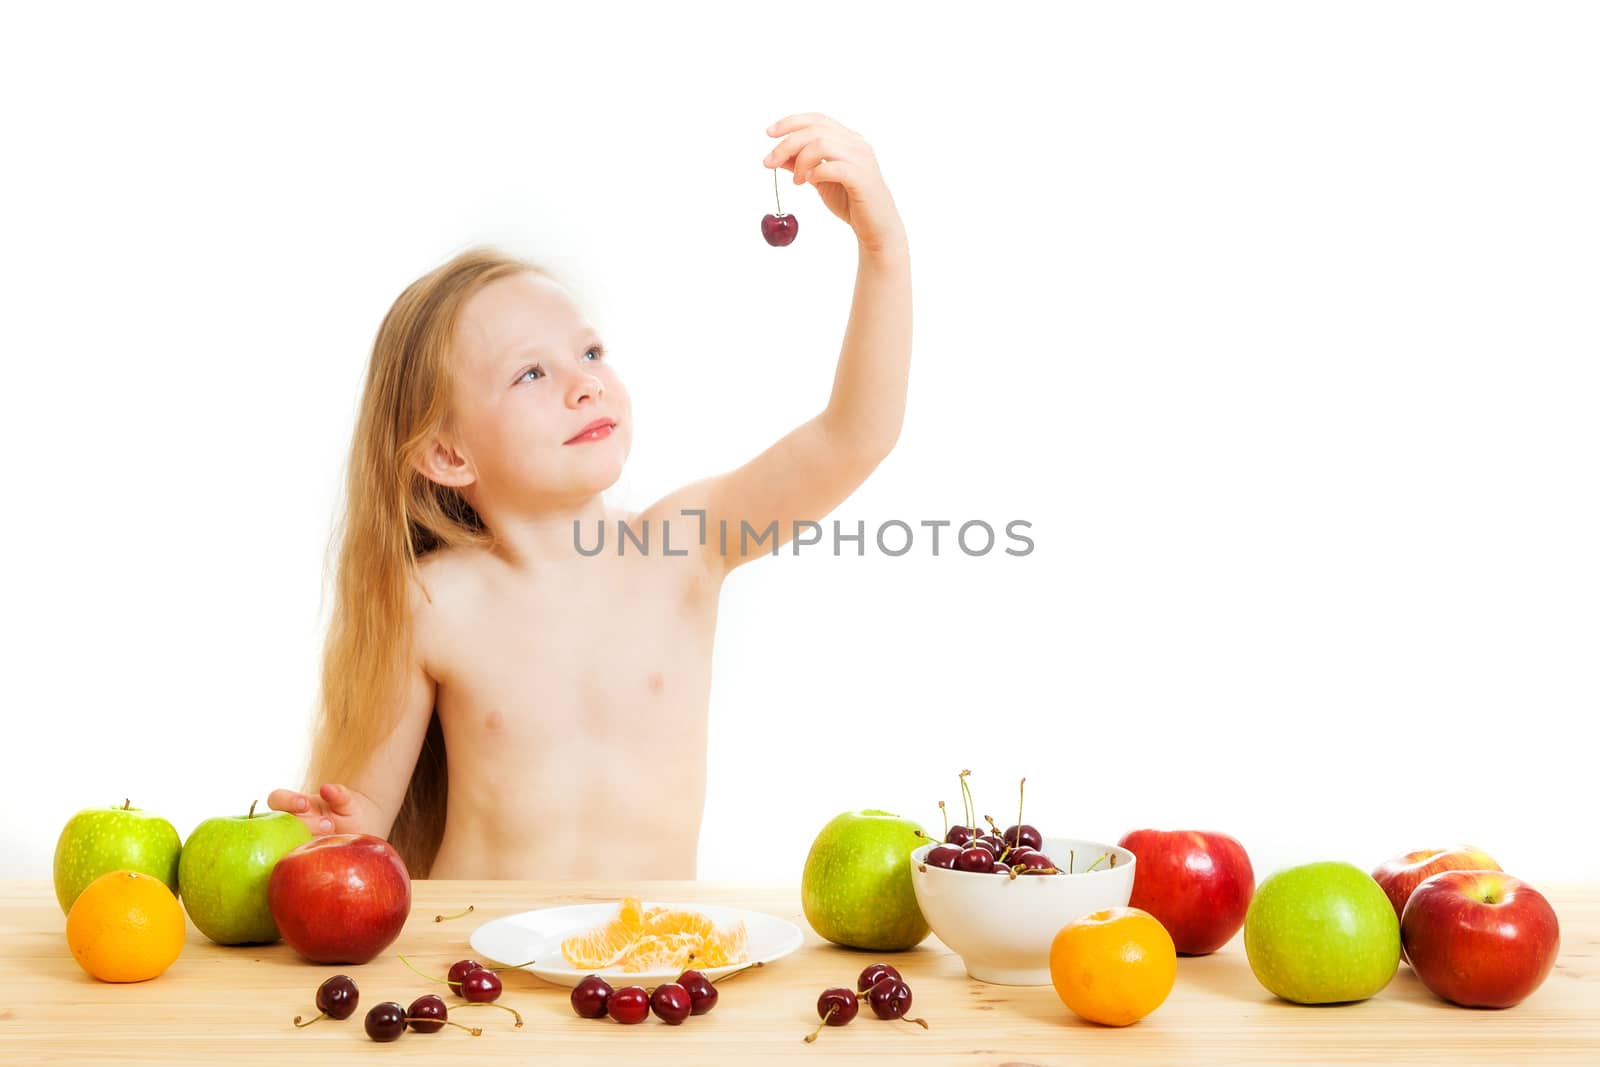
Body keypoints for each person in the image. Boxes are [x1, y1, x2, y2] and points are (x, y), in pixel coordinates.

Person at [268, 112, 912, 879]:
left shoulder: (686, 545)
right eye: (531, 373)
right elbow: (364, 823)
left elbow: (854, 436)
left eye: (590, 351)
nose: (585, 385)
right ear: (447, 452)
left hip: (651, 968)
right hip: (475, 962)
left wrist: (883, 248)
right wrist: (333, 829)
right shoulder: (432, 600)